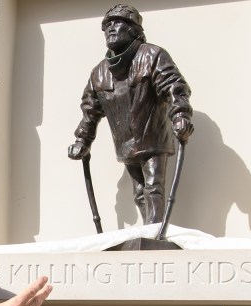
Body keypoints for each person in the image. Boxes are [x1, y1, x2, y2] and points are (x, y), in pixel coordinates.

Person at [68, 4, 194, 224]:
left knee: (153, 187)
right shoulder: (99, 73)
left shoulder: (153, 55)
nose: (111, 28)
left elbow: (174, 86)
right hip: (125, 143)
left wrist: (180, 115)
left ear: (134, 29)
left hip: (153, 137)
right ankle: (149, 230)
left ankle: (154, 233)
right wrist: (82, 140)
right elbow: (90, 110)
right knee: (139, 193)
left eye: (117, 22)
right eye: (107, 25)